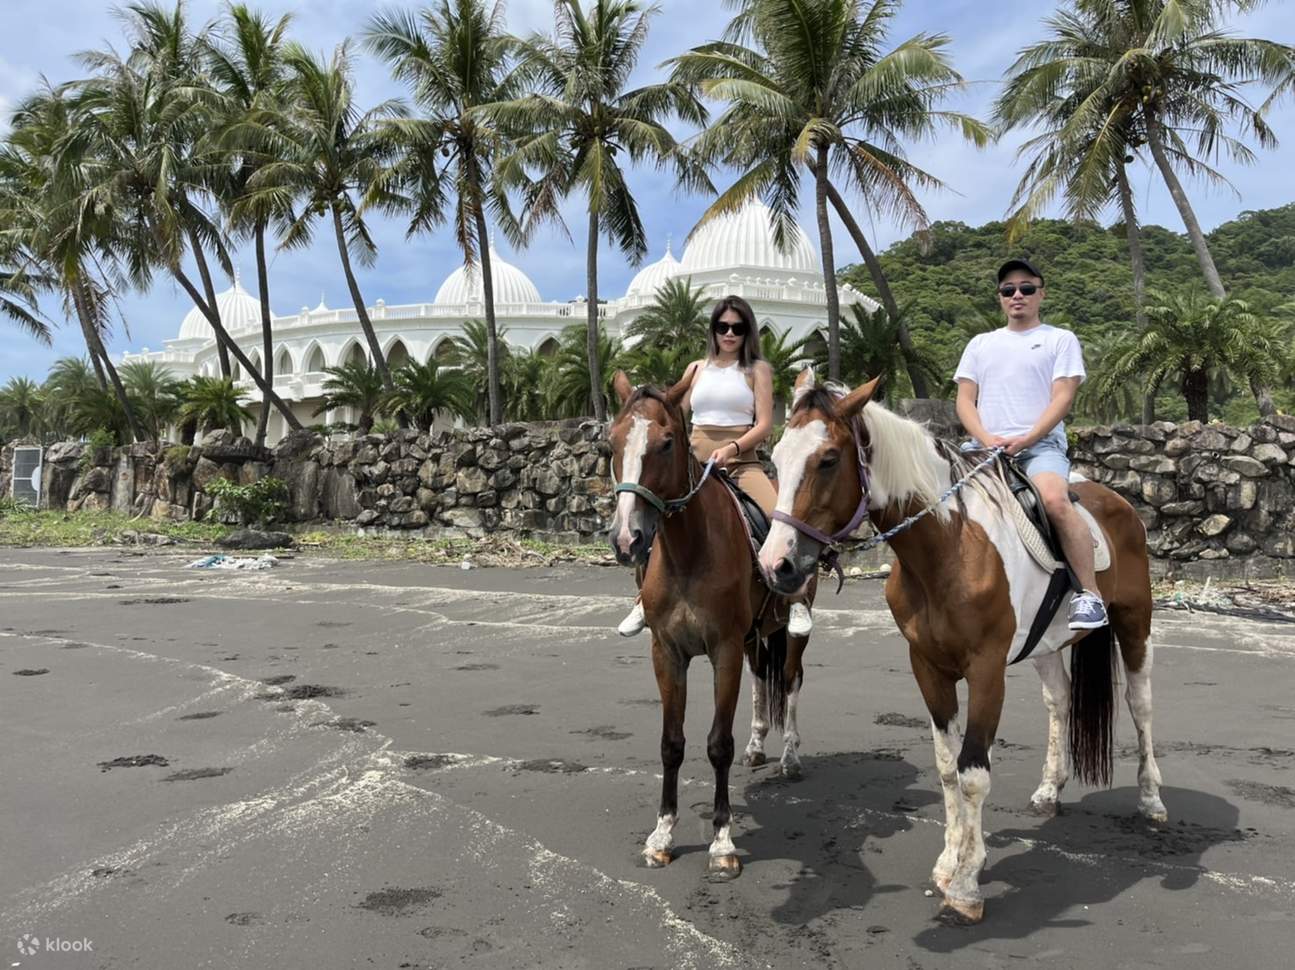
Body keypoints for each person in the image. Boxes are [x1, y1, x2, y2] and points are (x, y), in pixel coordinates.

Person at [618, 295, 814, 637]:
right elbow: (674, 413)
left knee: (775, 520)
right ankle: (643, 600)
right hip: (695, 464)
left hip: (741, 462)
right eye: (722, 326)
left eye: (737, 328)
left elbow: (765, 424)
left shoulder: (758, 370)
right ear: (713, 330)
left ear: (747, 332)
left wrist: (732, 449)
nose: (729, 334)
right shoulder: (696, 369)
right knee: (651, 517)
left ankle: (795, 600)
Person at [953, 258, 1107, 630]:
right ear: (1000, 298)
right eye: (1008, 290)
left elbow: (1063, 397)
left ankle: (1089, 594)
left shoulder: (1059, 339)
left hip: (1040, 447)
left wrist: (1028, 438)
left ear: (1042, 293)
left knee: (1054, 501)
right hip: (982, 450)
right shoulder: (981, 344)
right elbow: (963, 400)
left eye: (1026, 288)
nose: (1017, 295)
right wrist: (988, 439)